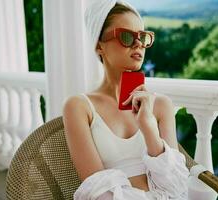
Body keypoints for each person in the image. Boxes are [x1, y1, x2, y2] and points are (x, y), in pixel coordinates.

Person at [62, 0, 189, 199]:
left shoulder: (161, 106)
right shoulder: (79, 107)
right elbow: (97, 189)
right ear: (99, 45)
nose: (138, 43)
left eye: (143, 37)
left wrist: (148, 128)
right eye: (127, 36)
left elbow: (177, 185)